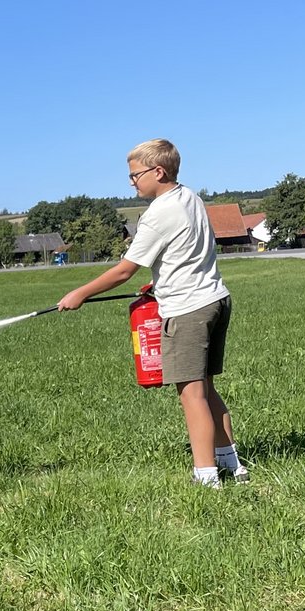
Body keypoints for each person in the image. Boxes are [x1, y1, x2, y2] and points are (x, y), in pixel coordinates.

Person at [56, 139, 246, 487]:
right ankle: (232, 464)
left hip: (188, 311)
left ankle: (206, 477)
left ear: (158, 172)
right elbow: (183, 254)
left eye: (135, 175)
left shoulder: (158, 214)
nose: (131, 182)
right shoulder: (190, 197)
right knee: (206, 388)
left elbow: (124, 271)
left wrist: (80, 294)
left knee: (191, 396)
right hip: (215, 300)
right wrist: (161, 282)